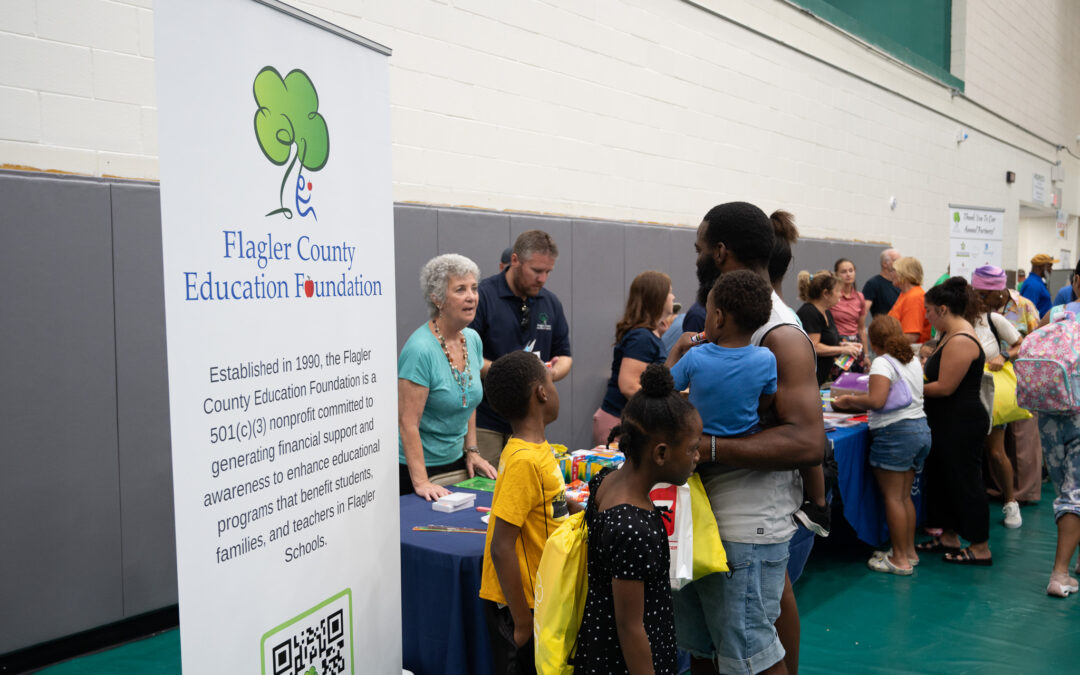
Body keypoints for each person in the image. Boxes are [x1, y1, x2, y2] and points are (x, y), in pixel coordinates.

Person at [672, 202, 824, 675]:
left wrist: (708, 448)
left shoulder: (778, 334)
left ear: (719, 253)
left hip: (748, 519)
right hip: (710, 510)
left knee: (751, 651)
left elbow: (807, 442)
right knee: (710, 647)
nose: (695, 258)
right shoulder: (731, 327)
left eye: (699, 249)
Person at [668, 271, 830, 538]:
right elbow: (765, 400)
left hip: (703, 449)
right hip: (745, 443)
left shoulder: (695, 356)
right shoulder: (766, 358)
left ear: (717, 318)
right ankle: (819, 506)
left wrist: (677, 348)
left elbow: (664, 386)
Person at [575, 365, 702, 674]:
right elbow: (630, 626)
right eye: (693, 449)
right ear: (660, 453)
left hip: (599, 647)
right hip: (624, 662)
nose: (697, 457)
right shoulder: (633, 527)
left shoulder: (605, 481)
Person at [479, 351, 578, 674]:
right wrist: (522, 622)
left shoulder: (536, 449)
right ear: (542, 392)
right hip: (522, 606)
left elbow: (551, 503)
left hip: (542, 593)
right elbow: (501, 544)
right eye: (551, 381)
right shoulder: (524, 460)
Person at [833, 316, 931, 576]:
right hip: (919, 430)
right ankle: (908, 551)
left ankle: (899, 560)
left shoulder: (881, 362)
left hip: (895, 435)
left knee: (892, 498)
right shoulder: (910, 360)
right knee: (904, 496)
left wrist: (846, 402)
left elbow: (876, 400)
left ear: (874, 342)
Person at [398, 254, 497, 500]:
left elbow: (468, 398)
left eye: (474, 288)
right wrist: (421, 482)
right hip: (415, 470)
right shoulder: (420, 350)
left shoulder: (472, 339)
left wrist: (472, 451)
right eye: (460, 289)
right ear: (437, 298)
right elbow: (407, 423)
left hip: (456, 463)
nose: (471, 296)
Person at [471, 230, 573, 465]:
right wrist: (512, 375)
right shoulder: (483, 297)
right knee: (492, 492)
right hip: (487, 423)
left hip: (532, 423)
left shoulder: (550, 302)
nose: (543, 279)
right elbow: (468, 358)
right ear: (515, 260)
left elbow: (565, 356)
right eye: (537, 271)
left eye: (548, 272)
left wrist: (553, 372)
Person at [917, 278, 992, 565]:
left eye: (929, 310)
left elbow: (945, 386)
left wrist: (909, 388)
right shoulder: (949, 333)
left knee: (965, 481)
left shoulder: (961, 338)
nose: (927, 315)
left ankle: (980, 545)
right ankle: (948, 535)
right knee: (944, 479)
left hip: (961, 421)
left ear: (943, 309)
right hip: (947, 419)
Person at [970, 266, 1026, 528]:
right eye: (996, 293)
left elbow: (1020, 344)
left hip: (989, 391)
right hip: (963, 390)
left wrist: (1003, 356)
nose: (1001, 297)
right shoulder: (960, 319)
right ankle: (970, 502)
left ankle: (1011, 502)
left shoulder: (995, 320)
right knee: (968, 451)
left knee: (995, 451)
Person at [594, 271, 675, 446]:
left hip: (625, 420)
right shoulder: (642, 338)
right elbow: (628, 385)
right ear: (657, 297)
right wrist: (662, 407)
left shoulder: (647, 334)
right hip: (619, 422)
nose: (673, 297)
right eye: (669, 292)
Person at [1038, 262, 1080, 597]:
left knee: (1064, 487)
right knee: (1075, 493)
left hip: (1050, 413)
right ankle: (1060, 574)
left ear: (1076, 282)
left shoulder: (1055, 315)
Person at [794, 270, 862, 386]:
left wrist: (846, 345)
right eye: (837, 291)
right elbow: (814, 346)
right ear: (826, 293)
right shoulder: (809, 313)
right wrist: (842, 350)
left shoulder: (827, 312)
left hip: (821, 377)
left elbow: (826, 341)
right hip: (809, 378)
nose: (840, 295)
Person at [832, 258, 870, 372]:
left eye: (851, 270)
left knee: (856, 381)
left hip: (856, 344)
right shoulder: (833, 296)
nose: (848, 274)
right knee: (839, 382)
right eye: (843, 272)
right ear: (836, 275)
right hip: (839, 343)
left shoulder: (859, 297)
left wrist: (867, 355)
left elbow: (861, 328)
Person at [888, 257, 932, 344]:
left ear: (904, 273)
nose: (891, 274)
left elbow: (911, 336)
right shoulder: (905, 294)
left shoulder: (914, 297)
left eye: (894, 270)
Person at [863, 248, 902, 317]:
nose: (900, 264)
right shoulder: (873, 284)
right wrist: (862, 327)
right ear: (885, 264)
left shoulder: (900, 284)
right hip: (884, 326)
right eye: (896, 260)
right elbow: (863, 311)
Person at [1021, 253, 1059, 318]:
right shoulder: (1033, 285)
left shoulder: (1037, 282)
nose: (1051, 269)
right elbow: (1028, 313)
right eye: (1049, 266)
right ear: (1042, 267)